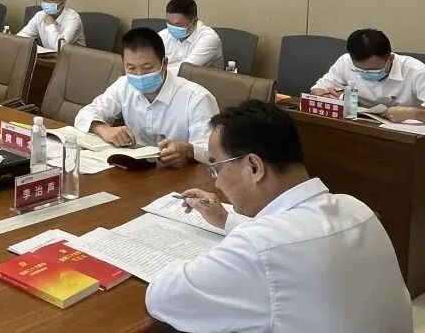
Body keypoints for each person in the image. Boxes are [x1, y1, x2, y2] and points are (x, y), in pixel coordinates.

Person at [146, 100, 412, 332]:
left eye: (217, 168)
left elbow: (162, 298)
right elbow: (293, 239)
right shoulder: (357, 209)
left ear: (254, 167)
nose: (217, 183)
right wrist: (226, 219)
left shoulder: (259, 246)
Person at [74, 28, 218, 167]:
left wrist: (188, 151)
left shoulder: (197, 98)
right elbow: (85, 114)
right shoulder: (124, 85)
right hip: (136, 169)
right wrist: (103, 129)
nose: (139, 75)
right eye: (131, 68)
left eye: (147, 67)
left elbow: (213, 152)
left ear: (164, 64)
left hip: (181, 174)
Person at [311, 28, 425, 123]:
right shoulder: (346, 62)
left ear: (390, 59)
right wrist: (327, 97)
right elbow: (317, 89)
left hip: (404, 134)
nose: (365, 73)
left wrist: (415, 113)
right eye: (359, 69)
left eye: (372, 69)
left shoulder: (416, 71)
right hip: (361, 125)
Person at [158, 0, 224, 74]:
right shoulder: (164, 35)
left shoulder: (209, 39)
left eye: (178, 25)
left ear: (194, 21)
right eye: (169, 23)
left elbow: (185, 71)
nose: (172, 28)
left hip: (201, 80)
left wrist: (155, 70)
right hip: (167, 79)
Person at [17, 0, 86, 49]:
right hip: (50, 55)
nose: (45, 3)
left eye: (50, 0)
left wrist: (50, 25)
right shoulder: (40, 15)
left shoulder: (73, 19)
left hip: (74, 56)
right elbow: (20, 38)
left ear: (62, 2)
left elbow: (60, 48)